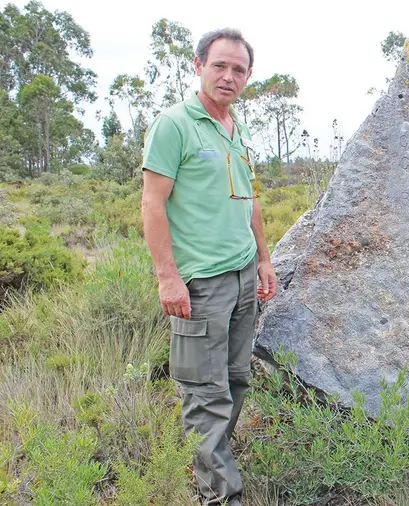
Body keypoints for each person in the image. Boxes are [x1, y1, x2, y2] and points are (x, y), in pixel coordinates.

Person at [140, 27, 276, 506]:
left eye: (238, 69)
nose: (228, 76)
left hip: (242, 279)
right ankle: (221, 496)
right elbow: (153, 204)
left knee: (236, 379)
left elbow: (251, 200)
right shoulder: (175, 124)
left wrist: (263, 258)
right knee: (205, 392)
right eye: (219, 65)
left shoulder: (237, 130)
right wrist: (168, 276)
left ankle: (214, 460)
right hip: (201, 283)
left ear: (248, 77)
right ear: (198, 66)